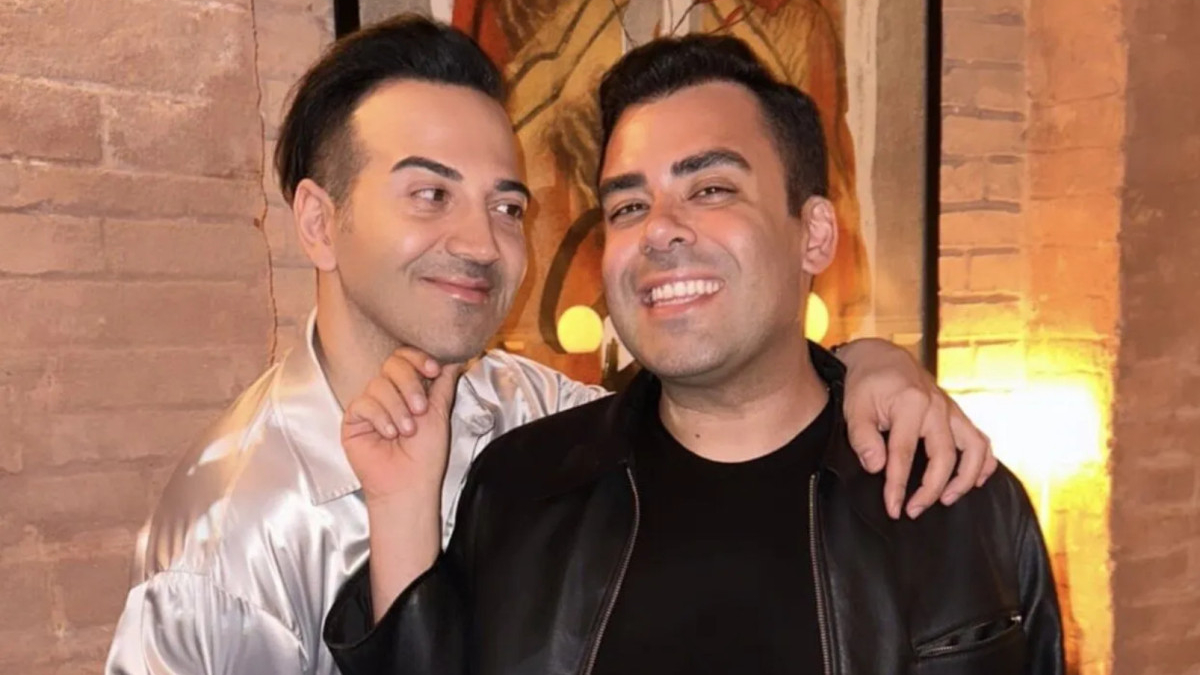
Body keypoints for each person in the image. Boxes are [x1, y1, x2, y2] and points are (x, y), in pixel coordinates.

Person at [105, 17, 995, 675]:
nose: (482, 242)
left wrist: (868, 363)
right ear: (317, 221)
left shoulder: (530, 411)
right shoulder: (232, 534)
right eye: (430, 195)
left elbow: (722, 386)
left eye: (506, 205)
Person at [324, 32, 1063, 675]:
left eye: (710, 189)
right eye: (628, 206)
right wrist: (401, 510)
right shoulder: (523, 489)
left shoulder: (957, 505)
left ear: (813, 235)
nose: (659, 230)